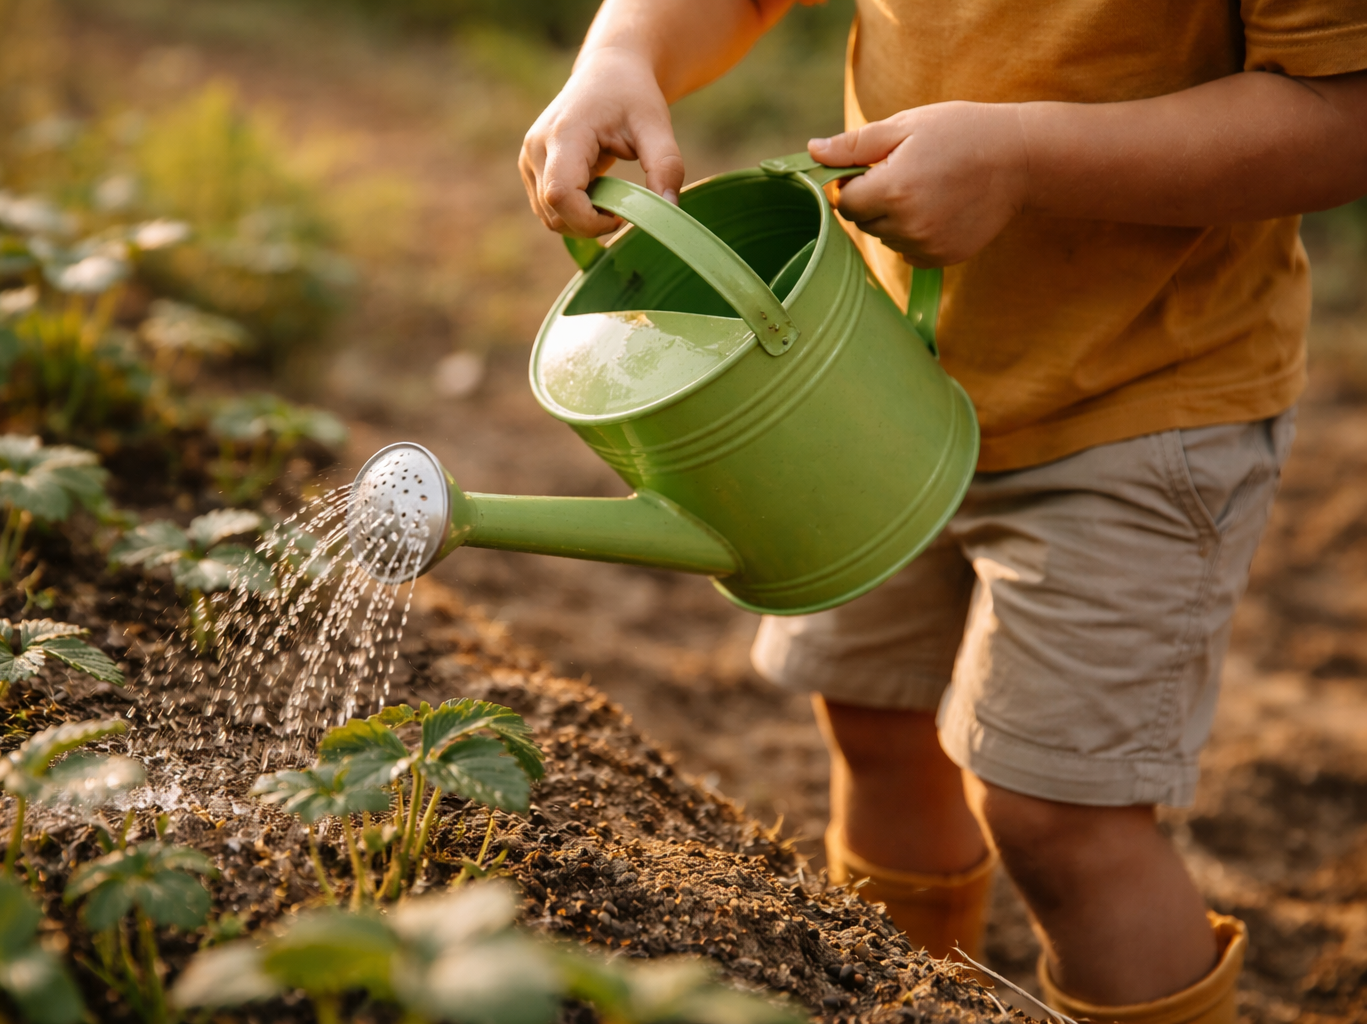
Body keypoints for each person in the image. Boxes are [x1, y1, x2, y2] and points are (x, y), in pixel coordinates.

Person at [517, 2, 1367, 1022]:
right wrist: (624, 52)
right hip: (868, 368)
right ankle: (911, 1003)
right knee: (878, 723)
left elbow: (1342, 112)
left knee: (1057, 815)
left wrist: (1024, 157)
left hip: (1144, 393)